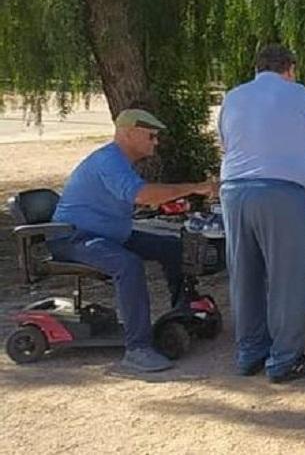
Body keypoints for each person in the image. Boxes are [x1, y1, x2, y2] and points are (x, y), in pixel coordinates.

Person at [49, 109, 214, 373]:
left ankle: (183, 312)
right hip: (74, 236)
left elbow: (138, 199)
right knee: (127, 265)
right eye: (151, 136)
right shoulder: (108, 161)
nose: (155, 142)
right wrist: (194, 187)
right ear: (128, 133)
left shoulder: (120, 162)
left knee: (172, 246)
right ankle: (138, 349)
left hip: (110, 233)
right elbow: (143, 195)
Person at [219, 44, 305, 383]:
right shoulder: (297, 93)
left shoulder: (233, 96)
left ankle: (249, 352)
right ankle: (285, 359)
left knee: (245, 274)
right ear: (289, 68)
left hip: (234, 190)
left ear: (257, 68)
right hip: (281, 191)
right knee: (289, 278)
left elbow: (227, 143)